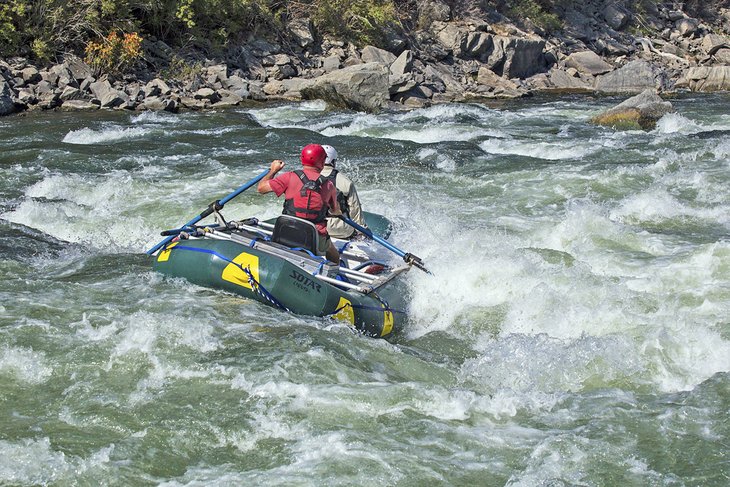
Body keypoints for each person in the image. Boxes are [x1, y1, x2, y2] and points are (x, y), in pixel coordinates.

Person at [257, 144, 342, 264]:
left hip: (286, 231)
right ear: (322, 162)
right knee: (333, 254)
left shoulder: (289, 177)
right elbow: (335, 211)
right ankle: (333, 277)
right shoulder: (329, 185)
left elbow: (261, 188)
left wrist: (273, 171)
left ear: (302, 159)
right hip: (314, 237)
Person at [320, 144, 368, 240]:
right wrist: (363, 231)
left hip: (312, 225)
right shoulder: (346, 181)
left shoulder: (306, 178)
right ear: (333, 161)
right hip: (338, 229)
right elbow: (355, 210)